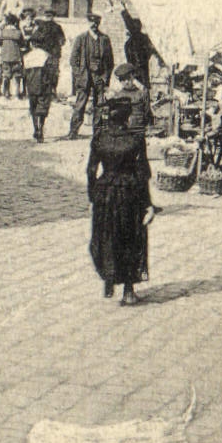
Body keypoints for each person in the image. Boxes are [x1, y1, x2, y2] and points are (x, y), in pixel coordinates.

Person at [86, 94, 152, 304]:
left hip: (104, 192)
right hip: (129, 193)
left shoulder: (99, 138)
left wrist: (92, 196)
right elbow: (142, 174)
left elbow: (91, 170)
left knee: (105, 235)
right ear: (128, 116)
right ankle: (129, 291)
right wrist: (148, 204)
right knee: (130, 238)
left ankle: (108, 278)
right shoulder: (135, 140)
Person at [67, 13, 114, 139]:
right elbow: (73, 60)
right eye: (91, 22)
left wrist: (105, 78)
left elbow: (110, 61)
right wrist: (79, 75)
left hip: (99, 77)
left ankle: (97, 132)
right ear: (88, 23)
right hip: (85, 76)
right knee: (80, 104)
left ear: (99, 24)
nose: (94, 25)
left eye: (96, 23)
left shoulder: (105, 39)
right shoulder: (81, 39)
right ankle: (73, 131)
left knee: (99, 105)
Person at [119, 7, 163, 125]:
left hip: (138, 72)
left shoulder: (133, 41)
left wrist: (123, 10)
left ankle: (145, 118)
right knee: (142, 95)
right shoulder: (140, 40)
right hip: (139, 72)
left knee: (141, 95)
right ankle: (144, 119)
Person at [22, 44, 55, 141]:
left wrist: (24, 89)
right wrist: (52, 86)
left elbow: (23, 74)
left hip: (31, 86)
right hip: (44, 85)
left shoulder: (27, 56)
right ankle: (41, 128)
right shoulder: (46, 55)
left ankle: (36, 128)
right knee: (43, 108)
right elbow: (52, 72)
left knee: (33, 108)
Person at [108, 62, 150, 131]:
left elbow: (147, 113)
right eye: (123, 80)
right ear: (120, 81)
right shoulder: (118, 96)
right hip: (124, 132)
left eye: (128, 78)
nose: (126, 82)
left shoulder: (142, 93)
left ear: (133, 76)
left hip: (138, 129)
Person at [0, 15, 26, 99]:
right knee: (17, 75)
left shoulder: (3, 32)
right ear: (15, 22)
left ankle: (6, 92)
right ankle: (17, 93)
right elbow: (22, 44)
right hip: (16, 57)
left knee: (6, 75)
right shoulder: (18, 32)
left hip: (5, 57)